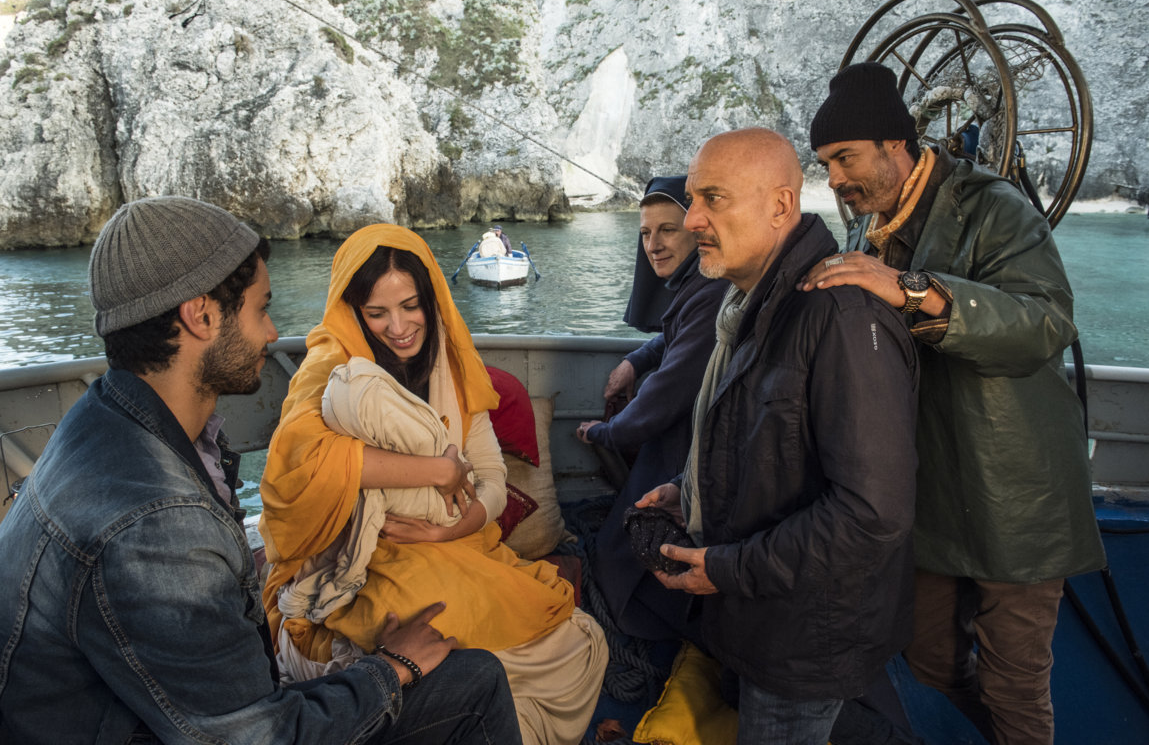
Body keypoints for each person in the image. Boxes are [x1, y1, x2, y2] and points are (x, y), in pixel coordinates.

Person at [0, 196, 522, 744]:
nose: (273, 333)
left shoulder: (99, 422)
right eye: (260, 309)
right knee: (476, 681)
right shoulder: (157, 525)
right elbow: (255, 735)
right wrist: (392, 668)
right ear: (201, 316)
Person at [804, 62, 1107, 745]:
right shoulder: (865, 229)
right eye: (825, 164)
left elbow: (1046, 323)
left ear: (895, 144)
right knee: (930, 659)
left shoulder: (996, 208)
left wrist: (914, 289)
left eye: (845, 157)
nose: (835, 179)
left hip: (1016, 492)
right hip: (930, 495)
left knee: (1014, 682)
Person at [259, 224, 607, 745]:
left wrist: (448, 531)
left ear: (433, 298)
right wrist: (438, 472)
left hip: (453, 543)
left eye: (411, 306)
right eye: (377, 313)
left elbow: (490, 477)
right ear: (352, 310)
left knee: (577, 640)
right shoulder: (331, 367)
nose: (399, 328)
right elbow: (298, 466)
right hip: (364, 559)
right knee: (471, 637)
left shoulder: (451, 361)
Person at [642, 128, 920, 744]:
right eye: (693, 200)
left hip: (806, 637)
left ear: (780, 206)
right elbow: (764, 441)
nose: (692, 220)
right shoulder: (750, 304)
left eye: (713, 199)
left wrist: (729, 568)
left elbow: (872, 513)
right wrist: (689, 490)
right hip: (762, 613)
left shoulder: (839, 317)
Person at [575, 175, 726, 642]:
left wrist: (602, 433)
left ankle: (650, 631)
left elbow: (665, 395)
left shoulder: (712, 292)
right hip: (685, 435)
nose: (653, 245)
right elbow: (672, 338)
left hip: (692, 448)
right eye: (645, 233)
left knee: (622, 550)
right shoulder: (698, 286)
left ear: (698, 229)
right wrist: (634, 361)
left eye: (667, 230)